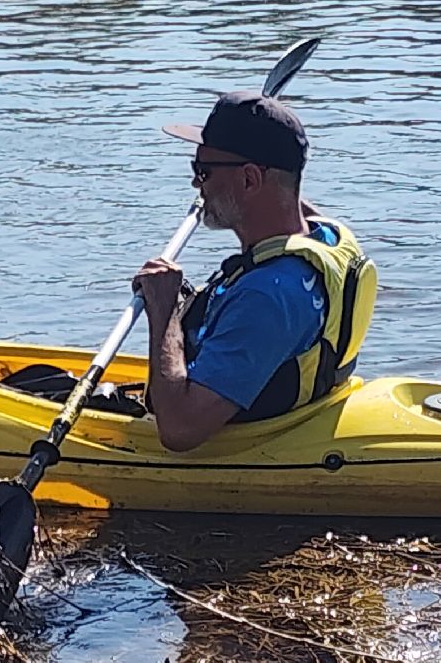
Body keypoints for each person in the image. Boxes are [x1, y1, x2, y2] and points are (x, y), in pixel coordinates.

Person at [131, 90, 378, 452]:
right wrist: (261, 123)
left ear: (249, 180)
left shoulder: (266, 296)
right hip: (282, 395)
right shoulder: (330, 237)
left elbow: (180, 431)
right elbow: (284, 183)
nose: (196, 186)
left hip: (229, 435)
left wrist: (164, 310)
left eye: (204, 172)